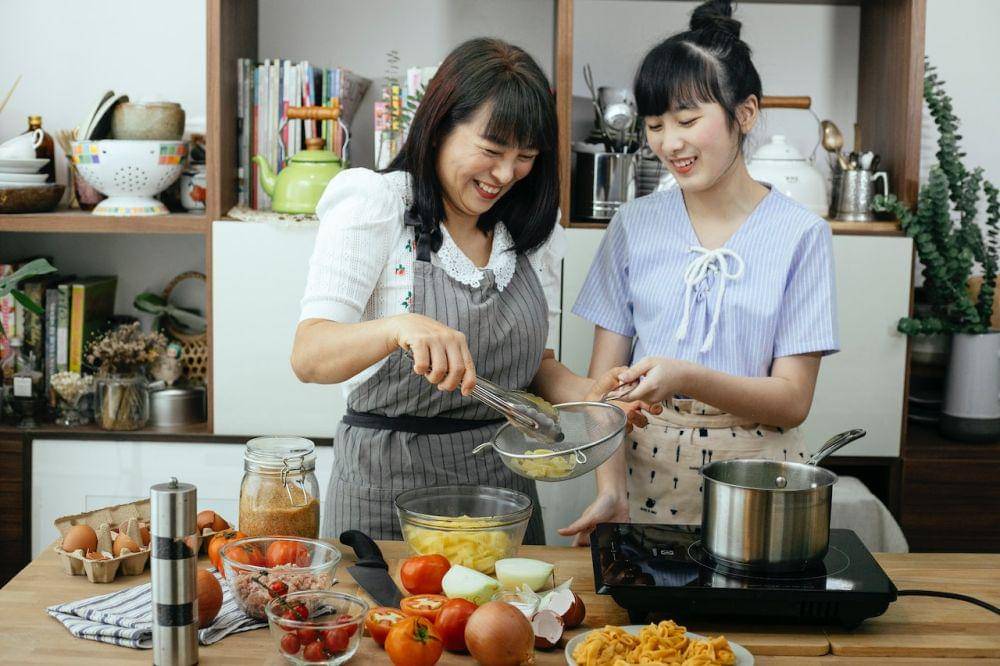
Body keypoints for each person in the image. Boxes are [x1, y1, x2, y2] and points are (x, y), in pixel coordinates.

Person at [291, 38, 642, 542]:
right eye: (491, 151)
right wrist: (397, 328)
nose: (505, 174)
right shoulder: (377, 204)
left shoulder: (529, 232)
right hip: (385, 497)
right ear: (439, 128)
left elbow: (537, 366)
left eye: (525, 157)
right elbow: (309, 355)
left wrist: (590, 398)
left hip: (503, 498)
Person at [560, 0, 839, 544]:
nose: (669, 143)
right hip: (644, 476)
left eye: (688, 121)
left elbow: (792, 401)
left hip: (758, 484)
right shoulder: (633, 225)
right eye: (655, 125)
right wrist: (611, 488)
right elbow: (605, 392)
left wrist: (686, 376)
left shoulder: (801, 234)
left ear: (746, 113)